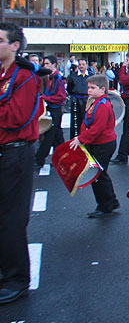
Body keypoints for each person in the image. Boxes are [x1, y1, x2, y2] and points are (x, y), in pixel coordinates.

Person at [0, 23, 44, 305]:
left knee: (11, 219)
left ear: (15, 45)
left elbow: (16, 116)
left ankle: (17, 279)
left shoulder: (24, 76)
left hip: (15, 154)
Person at [69, 75, 120, 218]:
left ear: (102, 89)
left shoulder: (102, 105)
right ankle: (110, 202)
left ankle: (105, 206)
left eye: (92, 88)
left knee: (98, 176)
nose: (89, 90)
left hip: (103, 144)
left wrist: (81, 139)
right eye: (88, 87)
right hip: (98, 143)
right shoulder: (95, 102)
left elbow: (97, 128)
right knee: (101, 175)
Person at [34, 55, 67, 170]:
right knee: (57, 135)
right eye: (44, 64)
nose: (45, 66)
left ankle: (39, 159)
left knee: (49, 135)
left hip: (55, 108)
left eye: (47, 64)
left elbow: (61, 96)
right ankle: (63, 159)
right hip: (52, 107)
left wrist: (45, 98)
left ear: (54, 64)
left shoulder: (57, 78)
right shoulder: (51, 77)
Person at [66, 58, 90, 139]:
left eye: (83, 64)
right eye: (80, 64)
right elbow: (69, 89)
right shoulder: (73, 76)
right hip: (77, 100)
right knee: (76, 122)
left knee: (87, 120)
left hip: (88, 100)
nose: (81, 66)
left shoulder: (91, 76)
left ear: (86, 65)